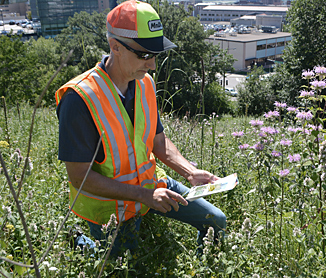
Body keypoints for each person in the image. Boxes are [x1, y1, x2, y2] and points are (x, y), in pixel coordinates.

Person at [55, 0, 226, 257]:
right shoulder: (79, 99)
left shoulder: (144, 82)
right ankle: (79, 240)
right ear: (116, 47)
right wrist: (143, 195)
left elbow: (158, 142)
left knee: (217, 220)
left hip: (150, 186)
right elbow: (80, 178)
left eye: (156, 54)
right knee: (124, 267)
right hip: (108, 208)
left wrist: (190, 172)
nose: (153, 65)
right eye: (144, 55)